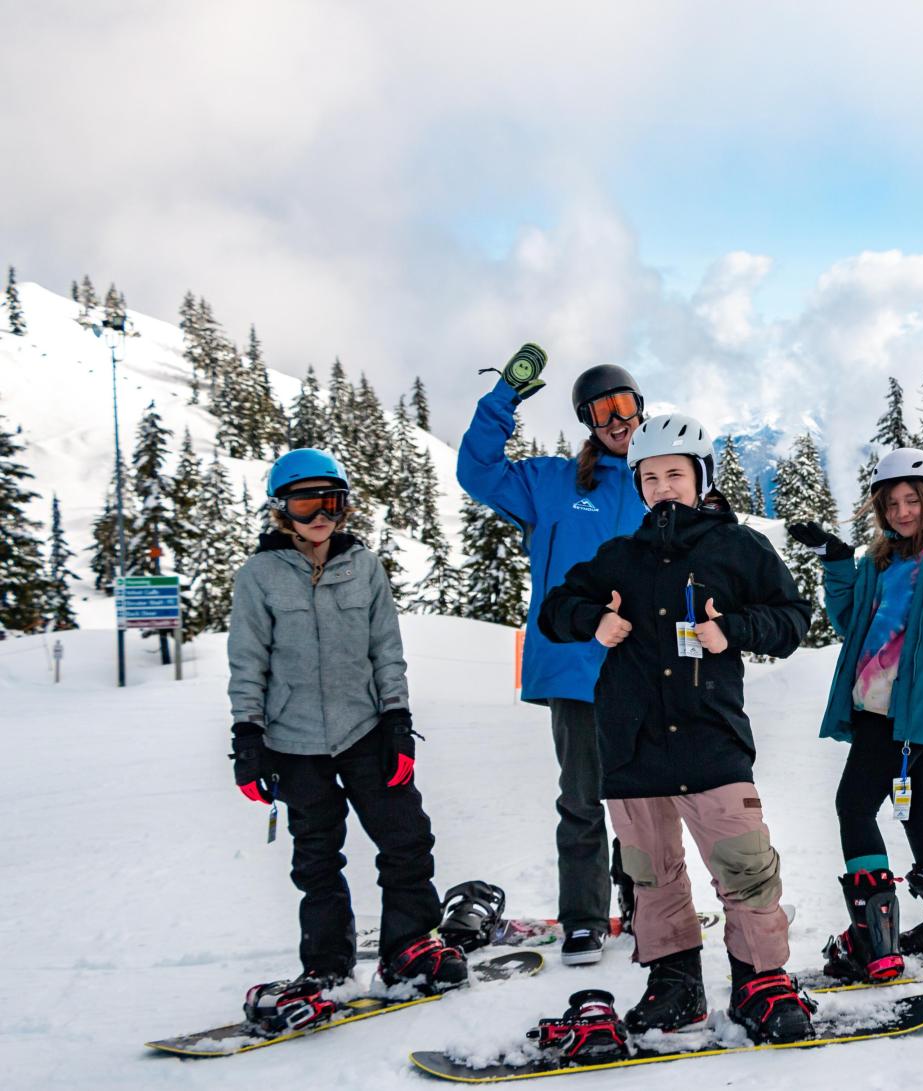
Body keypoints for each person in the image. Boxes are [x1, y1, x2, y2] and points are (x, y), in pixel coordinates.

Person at [538, 412, 815, 1044]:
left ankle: (762, 983)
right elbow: (556, 609)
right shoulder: (618, 556)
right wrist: (591, 621)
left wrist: (734, 630)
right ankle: (674, 983)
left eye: (676, 474)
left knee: (746, 868)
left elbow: (793, 619)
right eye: (651, 476)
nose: (663, 486)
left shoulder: (737, 546)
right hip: (632, 748)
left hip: (711, 739)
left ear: (700, 480)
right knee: (651, 876)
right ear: (638, 484)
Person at [227, 448, 465, 1031]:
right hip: (293, 739)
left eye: (330, 500)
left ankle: (408, 945)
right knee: (316, 856)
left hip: (365, 729)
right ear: (281, 508)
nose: (319, 514)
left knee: (407, 837)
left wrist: (397, 721)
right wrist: (248, 737)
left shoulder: (365, 566)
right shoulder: (259, 576)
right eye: (305, 501)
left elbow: (387, 650)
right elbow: (247, 661)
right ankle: (328, 968)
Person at [786, 449, 923, 983]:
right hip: (873, 704)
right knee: (913, 808)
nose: (903, 512)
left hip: (914, 707)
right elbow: (849, 622)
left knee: (854, 806)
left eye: (913, 500)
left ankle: (876, 938)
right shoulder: (879, 562)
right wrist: (837, 560)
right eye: (892, 503)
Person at [457, 346, 648, 965]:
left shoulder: (664, 484)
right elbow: (477, 472)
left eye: (626, 406)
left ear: (642, 409)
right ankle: (586, 920)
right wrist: (502, 400)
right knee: (583, 800)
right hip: (573, 668)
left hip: (646, 668)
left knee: (646, 801)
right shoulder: (551, 483)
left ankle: (648, 907)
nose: (617, 421)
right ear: (587, 421)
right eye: (602, 412)